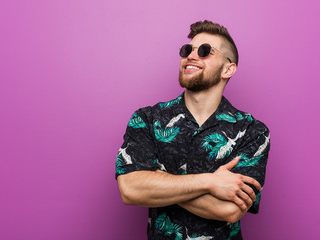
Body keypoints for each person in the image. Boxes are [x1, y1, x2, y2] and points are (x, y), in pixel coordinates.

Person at [115, 20, 270, 240]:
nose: (191, 56)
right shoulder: (147, 119)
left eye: (205, 51)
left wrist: (157, 179)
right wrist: (209, 182)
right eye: (188, 50)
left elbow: (230, 210)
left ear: (228, 68)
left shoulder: (253, 132)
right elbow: (130, 189)